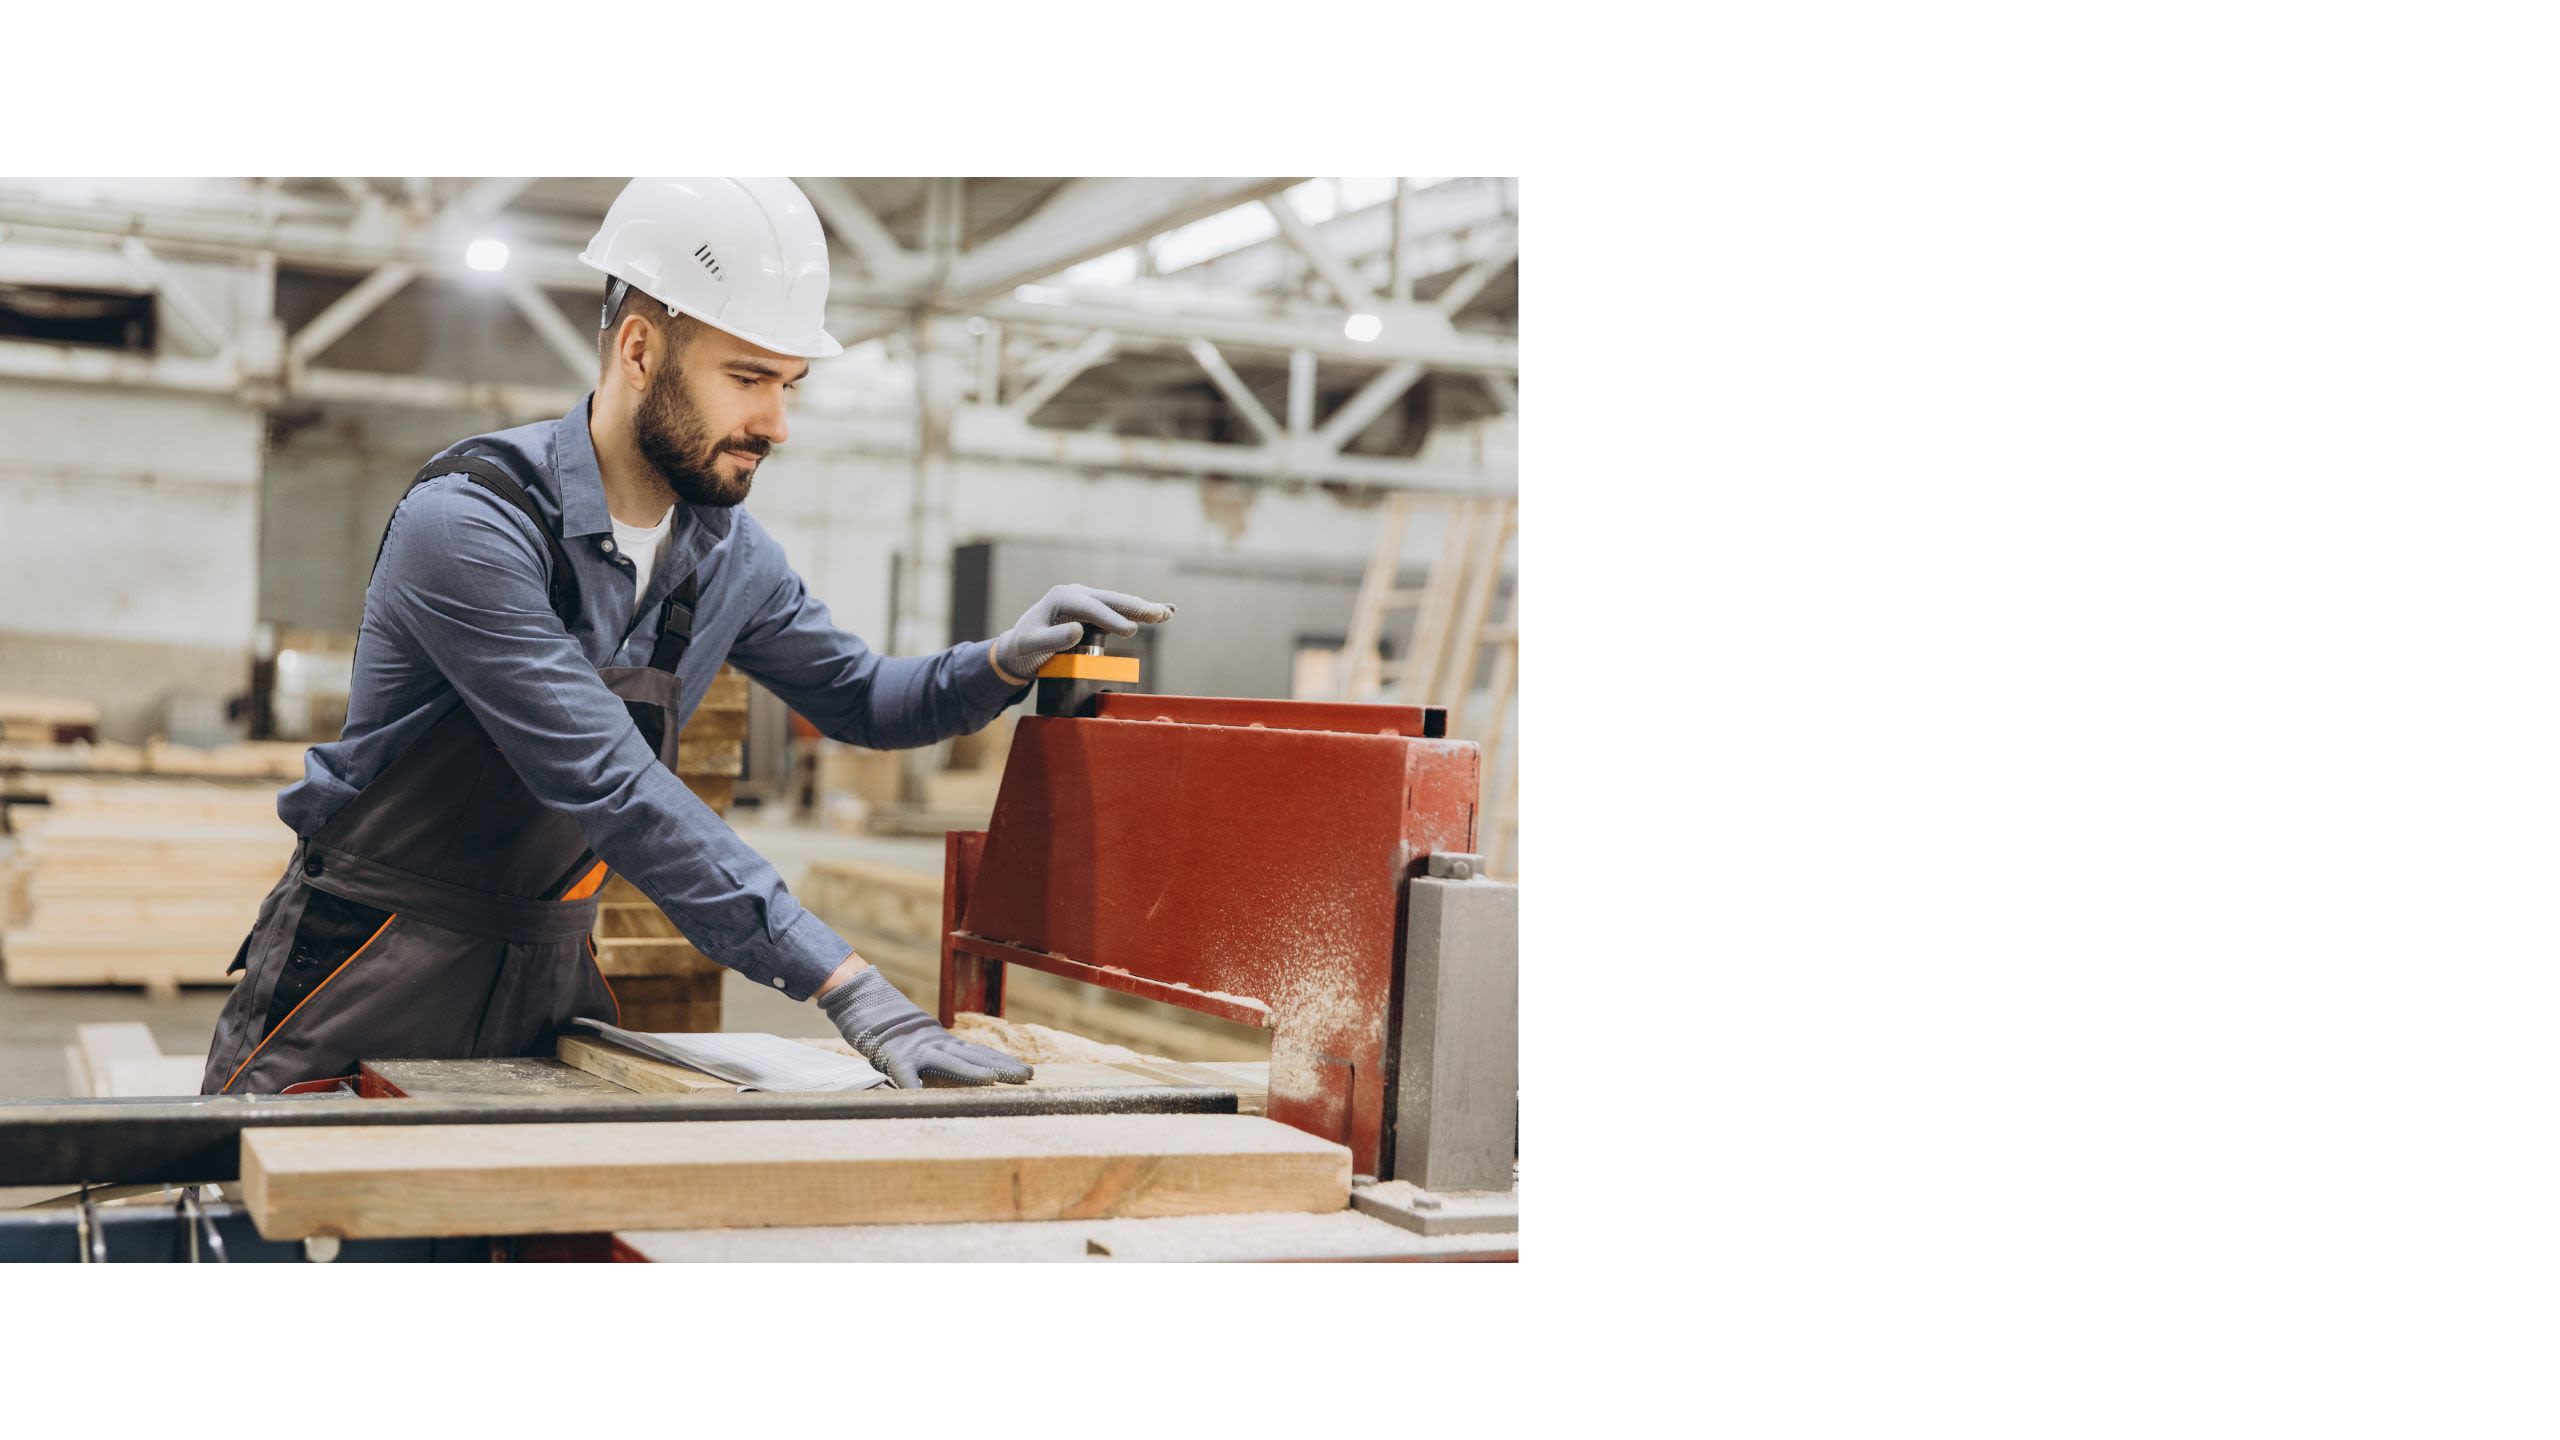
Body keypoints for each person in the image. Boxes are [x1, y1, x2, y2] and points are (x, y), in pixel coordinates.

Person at [199, 177, 1172, 1095]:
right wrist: (851, 989)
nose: (776, 423)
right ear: (638, 352)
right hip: (370, 964)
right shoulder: (470, 525)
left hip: (545, 980)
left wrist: (999, 661)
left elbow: (862, 699)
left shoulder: (727, 557)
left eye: (789, 383)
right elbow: (613, 785)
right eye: (748, 378)